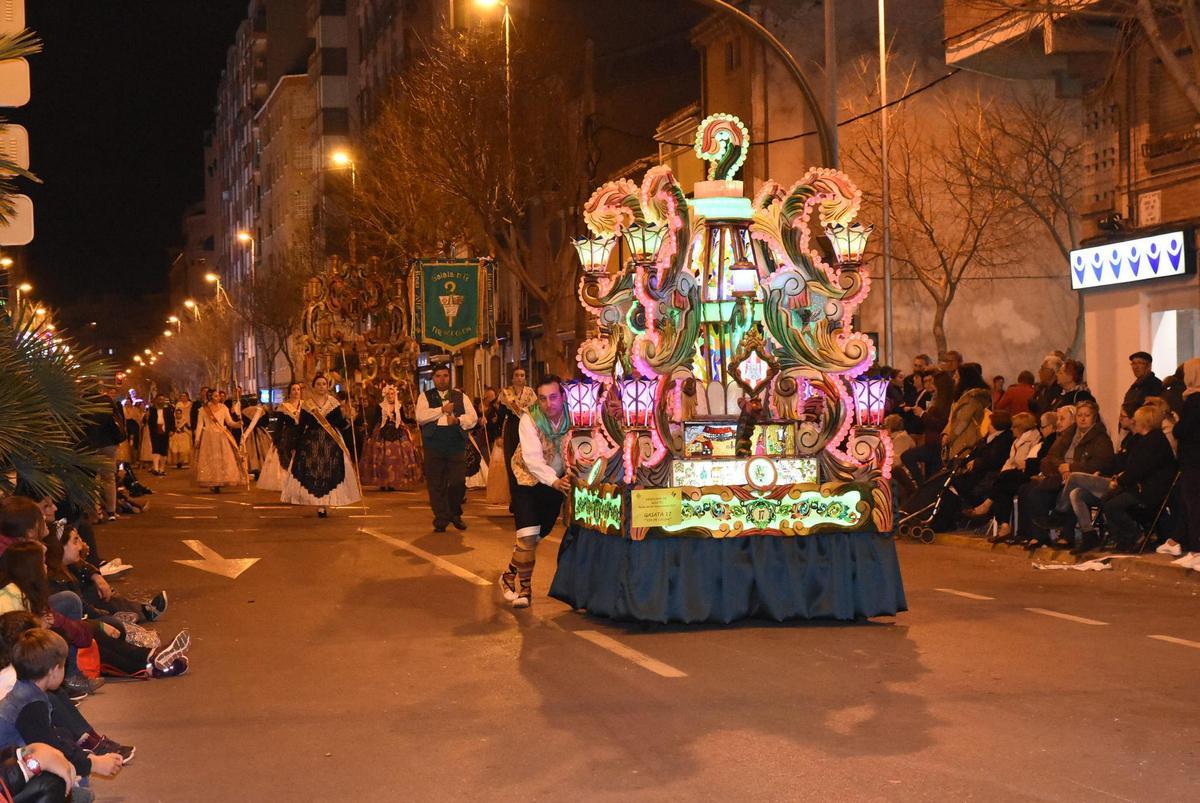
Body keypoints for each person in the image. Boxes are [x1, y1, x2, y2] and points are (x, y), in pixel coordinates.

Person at [0, 629, 124, 782]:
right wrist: (93, 764)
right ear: (53, 671)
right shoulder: (31, 707)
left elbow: (53, 738)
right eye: (63, 666)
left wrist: (86, 758)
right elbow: (49, 750)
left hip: (15, 758)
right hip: (7, 774)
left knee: (64, 737)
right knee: (68, 781)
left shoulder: (25, 691)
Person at [498, 377, 575, 609]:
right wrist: (554, 481)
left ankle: (508, 576)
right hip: (528, 481)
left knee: (536, 538)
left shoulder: (575, 417)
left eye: (553, 397)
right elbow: (532, 460)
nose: (548, 404)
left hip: (555, 483)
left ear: (562, 397)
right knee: (528, 536)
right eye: (543, 398)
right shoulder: (529, 420)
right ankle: (525, 591)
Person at [1080, 405, 1177, 554]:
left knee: (1112, 505)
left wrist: (1119, 481)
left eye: (1136, 420)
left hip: (1150, 490)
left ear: (1145, 422)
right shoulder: (1143, 440)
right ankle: (1121, 538)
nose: (1133, 422)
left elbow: (1139, 469)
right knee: (1106, 500)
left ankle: (1135, 536)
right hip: (1140, 485)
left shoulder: (1153, 441)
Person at [1017, 400, 1114, 548]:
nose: (1082, 418)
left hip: (1084, 480)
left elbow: (1101, 464)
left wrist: (1071, 467)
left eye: (1087, 415)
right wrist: (1062, 468)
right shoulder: (1068, 435)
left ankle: (1065, 531)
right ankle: (1040, 535)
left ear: (1094, 417)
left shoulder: (1101, 439)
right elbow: (1050, 457)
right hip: (1059, 477)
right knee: (1035, 493)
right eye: (1080, 415)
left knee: (1072, 490)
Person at [281, 374, 362, 518]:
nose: (321, 387)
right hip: (311, 443)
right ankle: (319, 503)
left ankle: (327, 500)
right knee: (315, 471)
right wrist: (295, 444)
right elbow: (301, 426)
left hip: (331, 442)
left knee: (330, 471)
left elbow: (340, 423)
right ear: (313, 386)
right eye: (318, 384)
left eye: (324, 384)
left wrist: (349, 419)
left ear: (327, 386)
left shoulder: (334, 403)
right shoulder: (307, 404)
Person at [415, 365, 478, 531]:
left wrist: (458, 420)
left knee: (458, 481)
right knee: (436, 483)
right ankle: (441, 518)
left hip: (455, 442)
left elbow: (473, 418)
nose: (442, 379)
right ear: (433, 378)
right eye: (438, 376)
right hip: (433, 442)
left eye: (445, 375)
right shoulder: (424, 396)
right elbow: (421, 417)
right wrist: (441, 410)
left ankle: (454, 512)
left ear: (449, 377)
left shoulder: (460, 396)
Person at [1161, 358, 1200, 565]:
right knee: (1188, 502)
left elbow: (1184, 430)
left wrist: (1176, 424)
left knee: (1192, 503)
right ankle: (1178, 541)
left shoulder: (1194, 400)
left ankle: (1196, 549)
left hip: (1193, 460)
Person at [360, 383, 422, 491]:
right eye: (388, 394)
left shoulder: (399, 406)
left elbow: (403, 419)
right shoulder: (380, 407)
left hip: (398, 431)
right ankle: (384, 482)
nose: (390, 396)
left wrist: (413, 420)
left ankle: (396, 480)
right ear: (385, 395)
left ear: (395, 395)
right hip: (382, 432)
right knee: (382, 457)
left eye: (392, 394)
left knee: (400, 455)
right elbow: (375, 420)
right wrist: (369, 433)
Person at [82, 386, 125, 523]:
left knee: (92, 479)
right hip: (108, 443)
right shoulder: (106, 401)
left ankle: (95, 512)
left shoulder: (82, 402)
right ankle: (111, 511)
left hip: (90, 444)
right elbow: (115, 421)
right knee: (109, 478)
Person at [901, 371, 953, 484]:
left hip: (936, 444)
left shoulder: (946, 402)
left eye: (933, 383)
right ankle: (923, 485)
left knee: (908, 457)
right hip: (930, 441)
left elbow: (940, 424)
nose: (931, 385)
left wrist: (922, 414)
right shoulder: (937, 398)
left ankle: (922, 486)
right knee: (929, 475)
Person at [497, 367, 538, 508]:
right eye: (517, 375)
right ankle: (515, 499)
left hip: (526, 429)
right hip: (512, 429)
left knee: (526, 463)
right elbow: (501, 414)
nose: (520, 377)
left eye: (522, 375)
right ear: (512, 378)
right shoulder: (506, 393)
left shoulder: (530, 393)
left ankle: (527, 497)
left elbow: (535, 412)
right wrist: (498, 435)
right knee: (511, 464)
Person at [193, 390, 245, 493]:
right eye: (215, 396)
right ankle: (212, 482)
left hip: (221, 436)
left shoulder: (224, 408)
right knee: (211, 459)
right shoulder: (203, 410)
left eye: (219, 396)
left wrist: (238, 424)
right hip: (209, 437)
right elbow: (199, 425)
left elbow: (229, 422)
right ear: (210, 397)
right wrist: (197, 438)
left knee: (223, 458)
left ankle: (221, 480)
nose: (218, 397)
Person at [944, 364, 991, 460]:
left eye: (957, 376)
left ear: (965, 379)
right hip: (965, 438)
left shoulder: (970, 399)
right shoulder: (967, 398)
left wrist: (949, 439)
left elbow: (962, 422)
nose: (953, 378)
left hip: (965, 441)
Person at [141, 394, 174, 477]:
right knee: (155, 449)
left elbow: (172, 421)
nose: (161, 401)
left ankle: (162, 469)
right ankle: (155, 468)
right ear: (156, 400)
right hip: (155, 431)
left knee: (163, 450)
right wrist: (146, 417)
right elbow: (147, 421)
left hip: (165, 431)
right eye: (159, 399)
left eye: (162, 399)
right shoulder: (151, 410)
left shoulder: (168, 410)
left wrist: (171, 430)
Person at [168, 393, 193, 469]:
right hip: (176, 430)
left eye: (185, 396)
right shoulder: (178, 404)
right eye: (182, 396)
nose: (183, 397)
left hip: (186, 425)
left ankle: (183, 461)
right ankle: (175, 461)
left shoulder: (191, 404)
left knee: (185, 446)